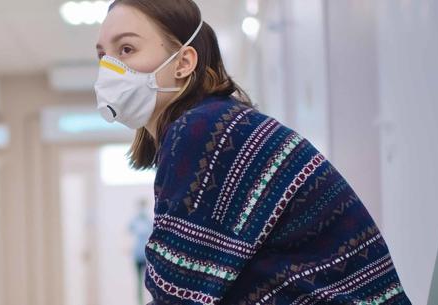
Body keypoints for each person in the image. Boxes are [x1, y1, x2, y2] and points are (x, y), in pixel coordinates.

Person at [93, 1, 411, 304]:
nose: (109, 68)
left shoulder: (204, 131)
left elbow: (176, 291)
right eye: (103, 56)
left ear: (184, 62)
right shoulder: (216, 122)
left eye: (127, 49)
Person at [129, 198, 154, 305]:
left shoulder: (149, 221)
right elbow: (128, 233)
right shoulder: (134, 221)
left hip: (147, 256)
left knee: (150, 281)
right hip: (137, 255)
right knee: (139, 281)